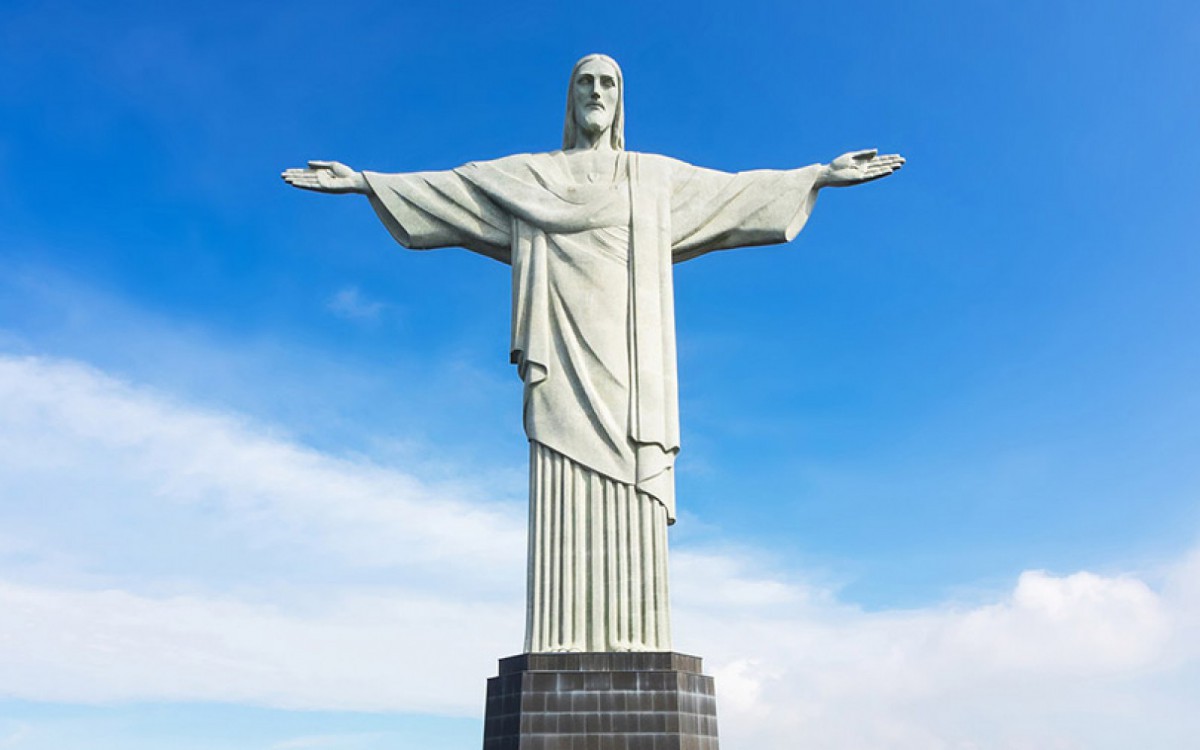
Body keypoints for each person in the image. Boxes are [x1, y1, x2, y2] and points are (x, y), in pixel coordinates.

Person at [283, 53, 903, 653]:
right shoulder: (532, 178)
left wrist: (818, 173)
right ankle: (558, 638)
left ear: (620, 97)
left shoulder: (653, 179)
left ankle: (639, 637)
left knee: (632, 476)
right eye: (585, 83)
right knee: (562, 472)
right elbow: (456, 190)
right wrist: (367, 182)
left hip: (632, 358)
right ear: (571, 98)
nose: (597, 94)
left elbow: (735, 193)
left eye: (608, 83)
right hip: (560, 347)